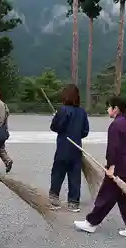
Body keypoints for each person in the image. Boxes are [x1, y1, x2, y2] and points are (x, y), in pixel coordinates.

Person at [74, 96, 126, 238]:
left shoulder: (116, 125)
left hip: (119, 169)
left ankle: (91, 223)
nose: (107, 109)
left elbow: (113, 149)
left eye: (108, 106)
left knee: (105, 196)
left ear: (115, 108)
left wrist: (111, 166)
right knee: (124, 199)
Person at [49, 84, 89, 212]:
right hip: (76, 147)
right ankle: (73, 202)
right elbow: (85, 131)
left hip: (63, 147)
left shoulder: (63, 110)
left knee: (58, 173)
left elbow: (55, 127)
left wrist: (56, 118)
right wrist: (77, 134)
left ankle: (54, 198)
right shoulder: (82, 112)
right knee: (74, 175)